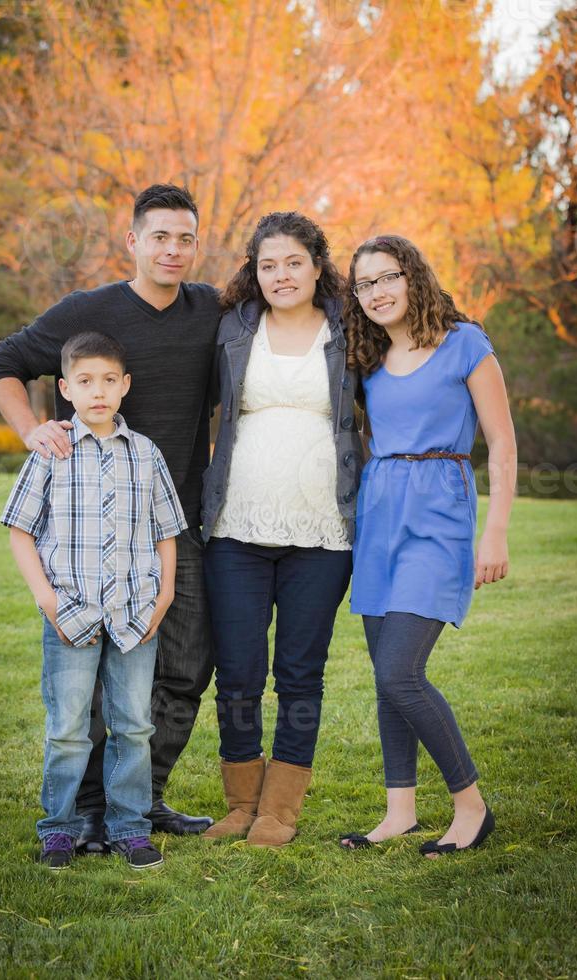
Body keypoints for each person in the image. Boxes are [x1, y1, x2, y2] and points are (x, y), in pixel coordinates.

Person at [0, 184, 219, 844]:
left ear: (196, 245)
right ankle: (87, 808)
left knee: (187, 666)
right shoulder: (89, 311)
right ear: (132, 242)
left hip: (177, 525)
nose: (173, 250)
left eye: (185, 238)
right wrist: (31, 428)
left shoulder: (211, 312)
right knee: (87, 674)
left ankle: (141, 800)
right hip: (91, 537)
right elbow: (3, 363)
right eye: (160, 237)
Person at [339, 235, 517, 857]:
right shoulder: (368, 358)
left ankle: (470, 806)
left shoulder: (465, 343)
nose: (377, 292)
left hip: (439, 513)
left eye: (387, 278)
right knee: (385, 676)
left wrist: (494, 530)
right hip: (379, 513)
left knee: (400, 671)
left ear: (413, 277)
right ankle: (400, 812)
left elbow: (501, 442)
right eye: (364, 285)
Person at [201, 212, 363, 847]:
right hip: (236, 528)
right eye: (268, 264)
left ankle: (280, 812)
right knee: (238, 669)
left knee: (300, 672)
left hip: (323, 533)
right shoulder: (232, 329)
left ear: (318, 266)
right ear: (254, 271)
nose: (281, 275)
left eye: (294, 261)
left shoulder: (351, 329)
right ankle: (242, 802)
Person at [0, 332, 188, 870]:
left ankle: (130, 827)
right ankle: (59, 828)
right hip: (71, 614)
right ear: (66, 388)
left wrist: (165, 593)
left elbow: (166, 531)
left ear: (125, 386)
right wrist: (48, 601)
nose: (98, 391)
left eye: (109, 380)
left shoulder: (145, 454)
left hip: (134, 613)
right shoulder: (51, 451)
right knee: (68, 728)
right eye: (85, 382)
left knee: (133, 724)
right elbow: (20, 530)